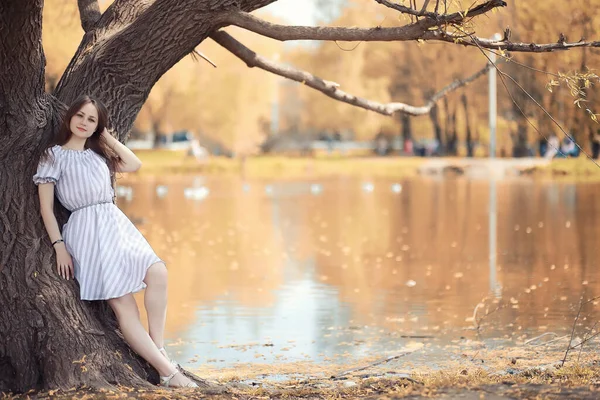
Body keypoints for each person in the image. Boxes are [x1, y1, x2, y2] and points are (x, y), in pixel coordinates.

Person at [33, 95, 197, 388]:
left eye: (92, 120)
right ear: (70, 117)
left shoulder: (98, 155)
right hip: (86, 231)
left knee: (158, 271)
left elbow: (134, 163)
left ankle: (158, 348)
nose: (84, 123)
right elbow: (46, 208)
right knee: (124, 305)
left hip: (115, 224)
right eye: (80, 116)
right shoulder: (53, 156)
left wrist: (105, 135)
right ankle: (169, 373)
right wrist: (59, 246)